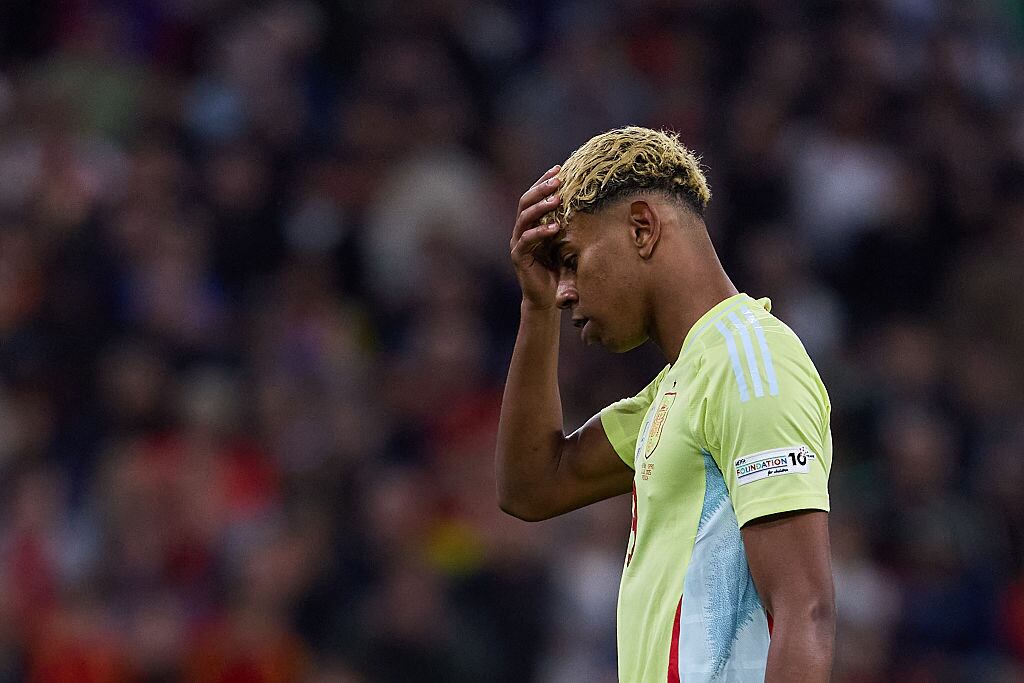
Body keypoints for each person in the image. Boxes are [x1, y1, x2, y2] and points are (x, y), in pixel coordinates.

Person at [495, 127, 835, 681]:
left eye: (572, 260)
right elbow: (532, 486)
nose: (564, 291)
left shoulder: (750, 365)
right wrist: (535, 309)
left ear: (642, 228)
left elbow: (806, 608)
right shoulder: (679, 385)